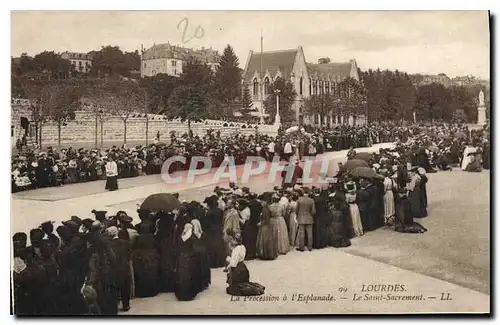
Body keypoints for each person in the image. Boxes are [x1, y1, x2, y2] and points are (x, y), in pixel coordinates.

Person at [133, 223, 160, 298]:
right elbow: (156, 245)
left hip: (141, 257)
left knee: (142, 275)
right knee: (151, 275)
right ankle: (152, 291)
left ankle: (142, 292)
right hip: (152, 257)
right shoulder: (152, 237)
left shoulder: (138, 237)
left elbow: (134, 247)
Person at [175, 223, 200, 301]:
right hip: (190, 260)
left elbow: (177, 248)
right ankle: (189, 294)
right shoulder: (193, 238)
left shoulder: (181, 237)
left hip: (181, 259)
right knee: (189, 276)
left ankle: (181, 294)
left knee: (181, 276)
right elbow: (196, 250)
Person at [203, 195, 226, 268]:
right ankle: (220, 262)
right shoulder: (220, 211)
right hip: (218, 229)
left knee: (212, 247)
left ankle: (214, 263)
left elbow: (207, 223)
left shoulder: (209, 212)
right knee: (219, 246)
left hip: (211, 231)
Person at [256, 194, 279, 260]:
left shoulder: (265, 209)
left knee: (264, 240)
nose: (261, 203)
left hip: (265, 227)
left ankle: (265, 255)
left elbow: (266, 220)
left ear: (265, 202)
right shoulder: (266, 208)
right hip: (267, 226)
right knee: (267, 240)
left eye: (262, 202)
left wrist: (260, 223)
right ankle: (267, 254)